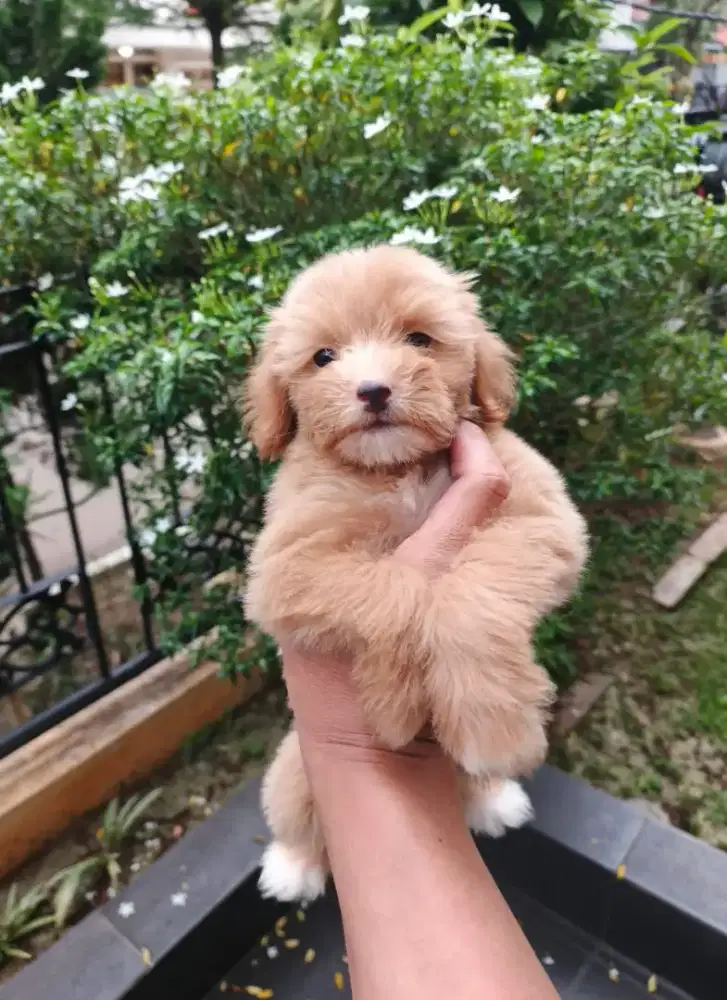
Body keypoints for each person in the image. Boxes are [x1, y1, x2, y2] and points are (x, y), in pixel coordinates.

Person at [280, 421, 559, 1000]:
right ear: (280, 402)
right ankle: (300, 843)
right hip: (342, 726)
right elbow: (282, 587)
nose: (373, 378)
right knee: (296, 781)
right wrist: (399, 643)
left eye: (420, 341)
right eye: (325, 356)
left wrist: (470, 626)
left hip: (411, 742)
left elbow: (555, 540)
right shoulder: (308, 475)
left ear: (477, 368)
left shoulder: (503, 460)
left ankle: (475, 782)